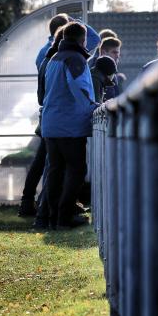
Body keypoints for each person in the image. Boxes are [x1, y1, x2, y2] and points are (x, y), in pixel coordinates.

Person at [41, 22, 99, 228]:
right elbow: (79, 89)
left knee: (56, 171)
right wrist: (95, 106)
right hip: (69, 126)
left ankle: (52, 217)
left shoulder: (54, 58)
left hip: (51, 124)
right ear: (82, 40)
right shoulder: (75, 59)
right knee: (76, 169)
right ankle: (64, 217)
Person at [19, 27, 66, 217]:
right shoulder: (55, 59)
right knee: (50, 164)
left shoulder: (45, 55)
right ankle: (45, 207)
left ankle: (31, 202)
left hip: (47, 117)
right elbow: (94, 38)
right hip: (54, 118)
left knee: (43, 162)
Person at [36, 14, 101, 69]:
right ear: (65, 29)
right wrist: (76, 22)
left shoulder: (42, 52)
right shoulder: (71, 48)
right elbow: (96, 39)